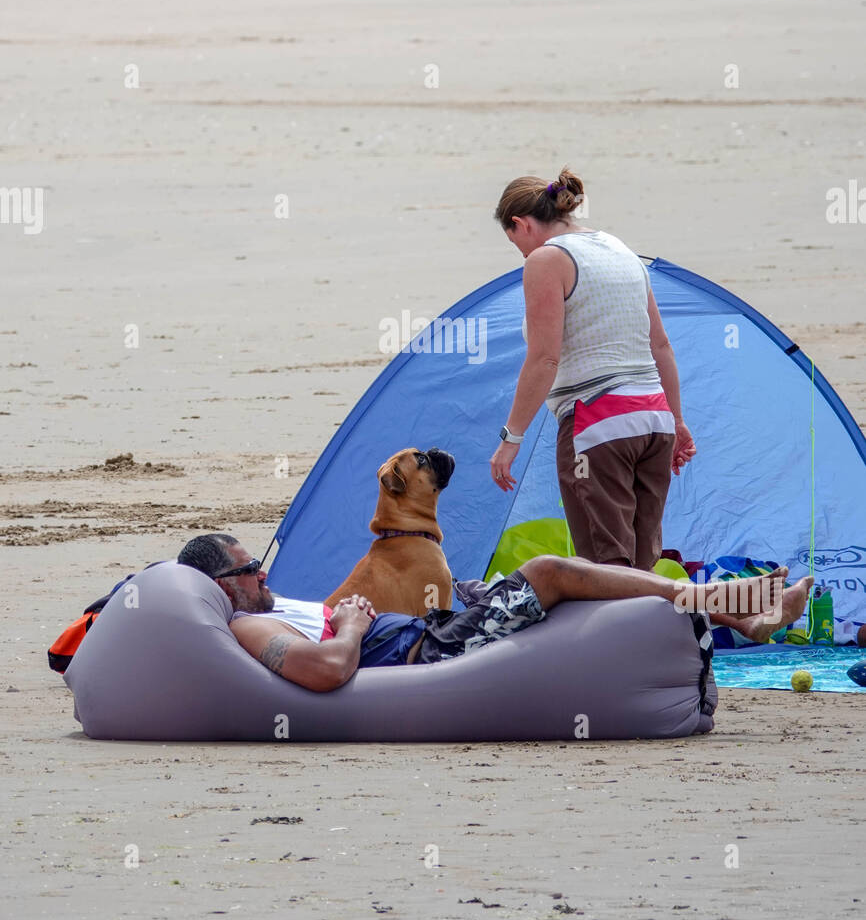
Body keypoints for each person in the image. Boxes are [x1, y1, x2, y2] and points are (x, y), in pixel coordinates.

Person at [177, 532, 813, 693]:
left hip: (437, 628)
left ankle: (742, 614)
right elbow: (325, 671)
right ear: (219, 585)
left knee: (573, 578)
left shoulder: (256, 608)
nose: (262, 572)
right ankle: (744, 607)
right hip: (431, 649)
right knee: (551, 571)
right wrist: (352, 622)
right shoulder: (245, 624)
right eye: (247, 570)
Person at [489, 168, 696, 571]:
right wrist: (678, 420)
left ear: (520, 224)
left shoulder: (547, 260)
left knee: (604, 569)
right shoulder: (620, 249)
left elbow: (545, 358)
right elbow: (661, 346)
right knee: (642, 566)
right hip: (655, 421)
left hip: (599, 427)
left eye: (516, 243)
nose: (523, 254)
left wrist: (511, 437)